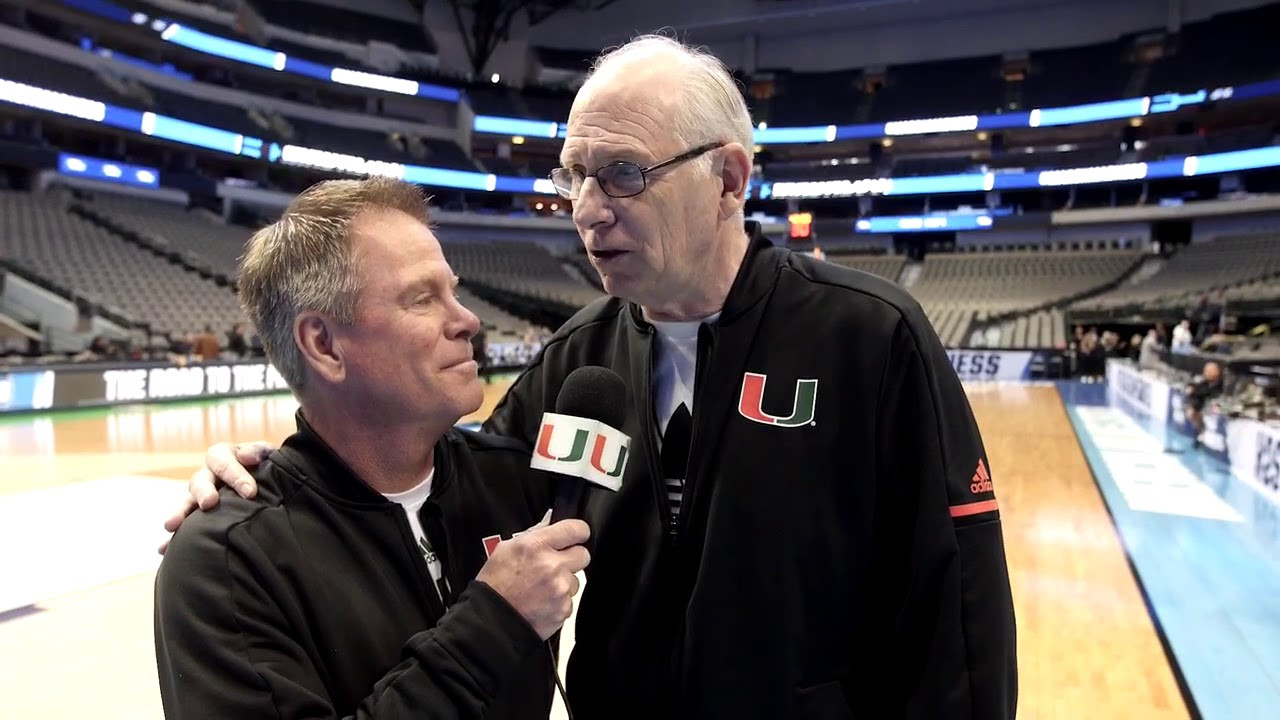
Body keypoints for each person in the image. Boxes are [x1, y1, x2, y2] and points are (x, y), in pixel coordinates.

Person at [169, 35, 1017, 718]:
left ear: (727, 179)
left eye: (622, 173)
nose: (586, 207)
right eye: (572, 175)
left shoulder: (870, 337)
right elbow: (443, 479)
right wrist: (279, 470)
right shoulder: (577, 359)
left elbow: (959, 611)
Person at [154, 177, 591, 719]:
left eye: (454, 291)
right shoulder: (226, 561)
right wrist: (494, 622)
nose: (468, 321)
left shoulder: (515, 481)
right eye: (423, 298)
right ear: (323, 344)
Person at [1184, 360, 1225, 441]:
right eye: (1205, 371)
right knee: (1192, 411)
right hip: (1202, 405)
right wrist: (1190, 389)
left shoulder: (1223, 382)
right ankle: (1200, 431)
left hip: (1216, 405)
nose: (1206, 373)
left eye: (1209, 371)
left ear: (1216, 372)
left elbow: (1219, 395)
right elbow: (1192, 387)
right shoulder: (1202, 381)